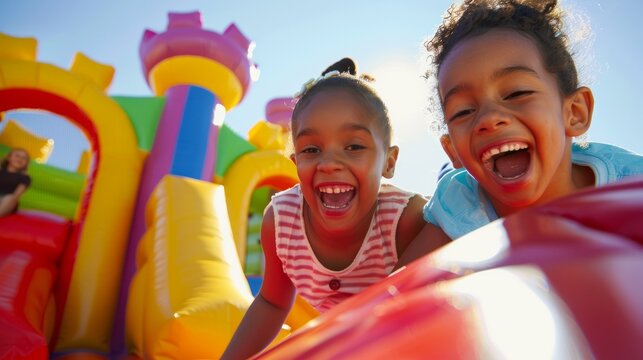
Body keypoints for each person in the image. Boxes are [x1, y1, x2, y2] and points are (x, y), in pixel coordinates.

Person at [221, 58, 448, 359]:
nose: (328, 164)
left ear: (389, 162)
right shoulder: (280, 223)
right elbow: (272, 303)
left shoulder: (405, 221)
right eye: (312, 150)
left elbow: (413, 310)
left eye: (353, 146)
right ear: (295, 163)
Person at [419, 0, 643, 240]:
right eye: (463, 111)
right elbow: (402, 278)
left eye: (517, 93)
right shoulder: (458, 205)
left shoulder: (632, 185)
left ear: (575, 112)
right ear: (452, 149)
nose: (489, 118)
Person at [0, 147, 31, 217]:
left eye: (24, 158)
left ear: (26, 163)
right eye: (17, 155)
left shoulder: (24, 178)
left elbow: (17, 194)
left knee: (11, 198)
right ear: (8, 157)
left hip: (6, 201)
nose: (20, 159)